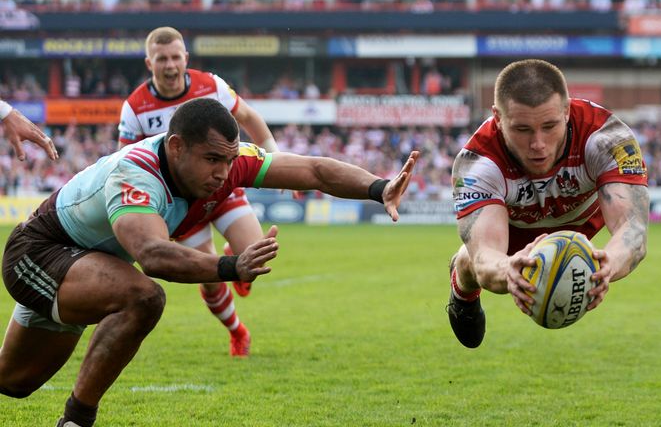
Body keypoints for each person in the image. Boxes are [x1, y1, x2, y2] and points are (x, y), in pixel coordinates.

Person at [0, 97, 419, 427]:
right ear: (177, 146)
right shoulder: (138, 172)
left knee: (14, 382)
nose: (223, 172)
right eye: (212, 160)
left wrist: (378, 187)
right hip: (39, 252)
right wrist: (229, 268)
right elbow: (152, 255)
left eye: (228, 160)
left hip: (90, 264)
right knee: (142, 297)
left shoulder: (229, 159)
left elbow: (313, 171)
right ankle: (77, 421)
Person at [447, 59, 649, 348]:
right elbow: (485, 256)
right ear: (498, 117)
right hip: (513, 228)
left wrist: (608, 265)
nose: (538, 144)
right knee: (468, 261)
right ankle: (461, 294)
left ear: (566, 110)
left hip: (581, 224)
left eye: (550, 125)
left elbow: (633, 230)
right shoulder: (478, 163)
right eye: (523, 129)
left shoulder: (608, 138)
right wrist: (508, 271)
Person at [118, 26, 279, 357]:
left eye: (176, 57)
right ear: (150, 63)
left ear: (185, 58)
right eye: (162, 59)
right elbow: (124, 164)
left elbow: (249, 116)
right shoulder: (135, 108)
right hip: (179, 204)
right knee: (209, 274)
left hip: (221, 185)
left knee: (254, 252)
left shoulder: (211, 86)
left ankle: (234, 256)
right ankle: (237, 331)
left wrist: (277, 159)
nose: (170, 65)